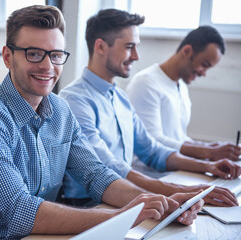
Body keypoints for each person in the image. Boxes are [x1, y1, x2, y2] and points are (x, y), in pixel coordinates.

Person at [0, 5, 203, 239]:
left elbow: (96, 176)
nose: (47, 66)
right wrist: (121, 216)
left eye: (55, 55)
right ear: (8, 57)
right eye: (33, 54)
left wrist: (159, 204)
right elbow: (19, 209)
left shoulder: (60, 110)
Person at [58, 9, 240, 209]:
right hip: (90, 205)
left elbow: (152, 150)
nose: (136, 56)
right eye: (129, 47)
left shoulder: (120, 98)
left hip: (123, 197)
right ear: (100, 47)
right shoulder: (74, 100)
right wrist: (179, 190)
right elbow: (107, 167)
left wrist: (208, 165)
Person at [126, 26, 241, 161]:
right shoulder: (145, 83)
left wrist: (211, 147)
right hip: (153, 175)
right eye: (204, 64)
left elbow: (178, 139)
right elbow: (152, 141)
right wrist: (208, 152)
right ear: (187, 51)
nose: (204, 73)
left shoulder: (181, 86)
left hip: (177, 169)